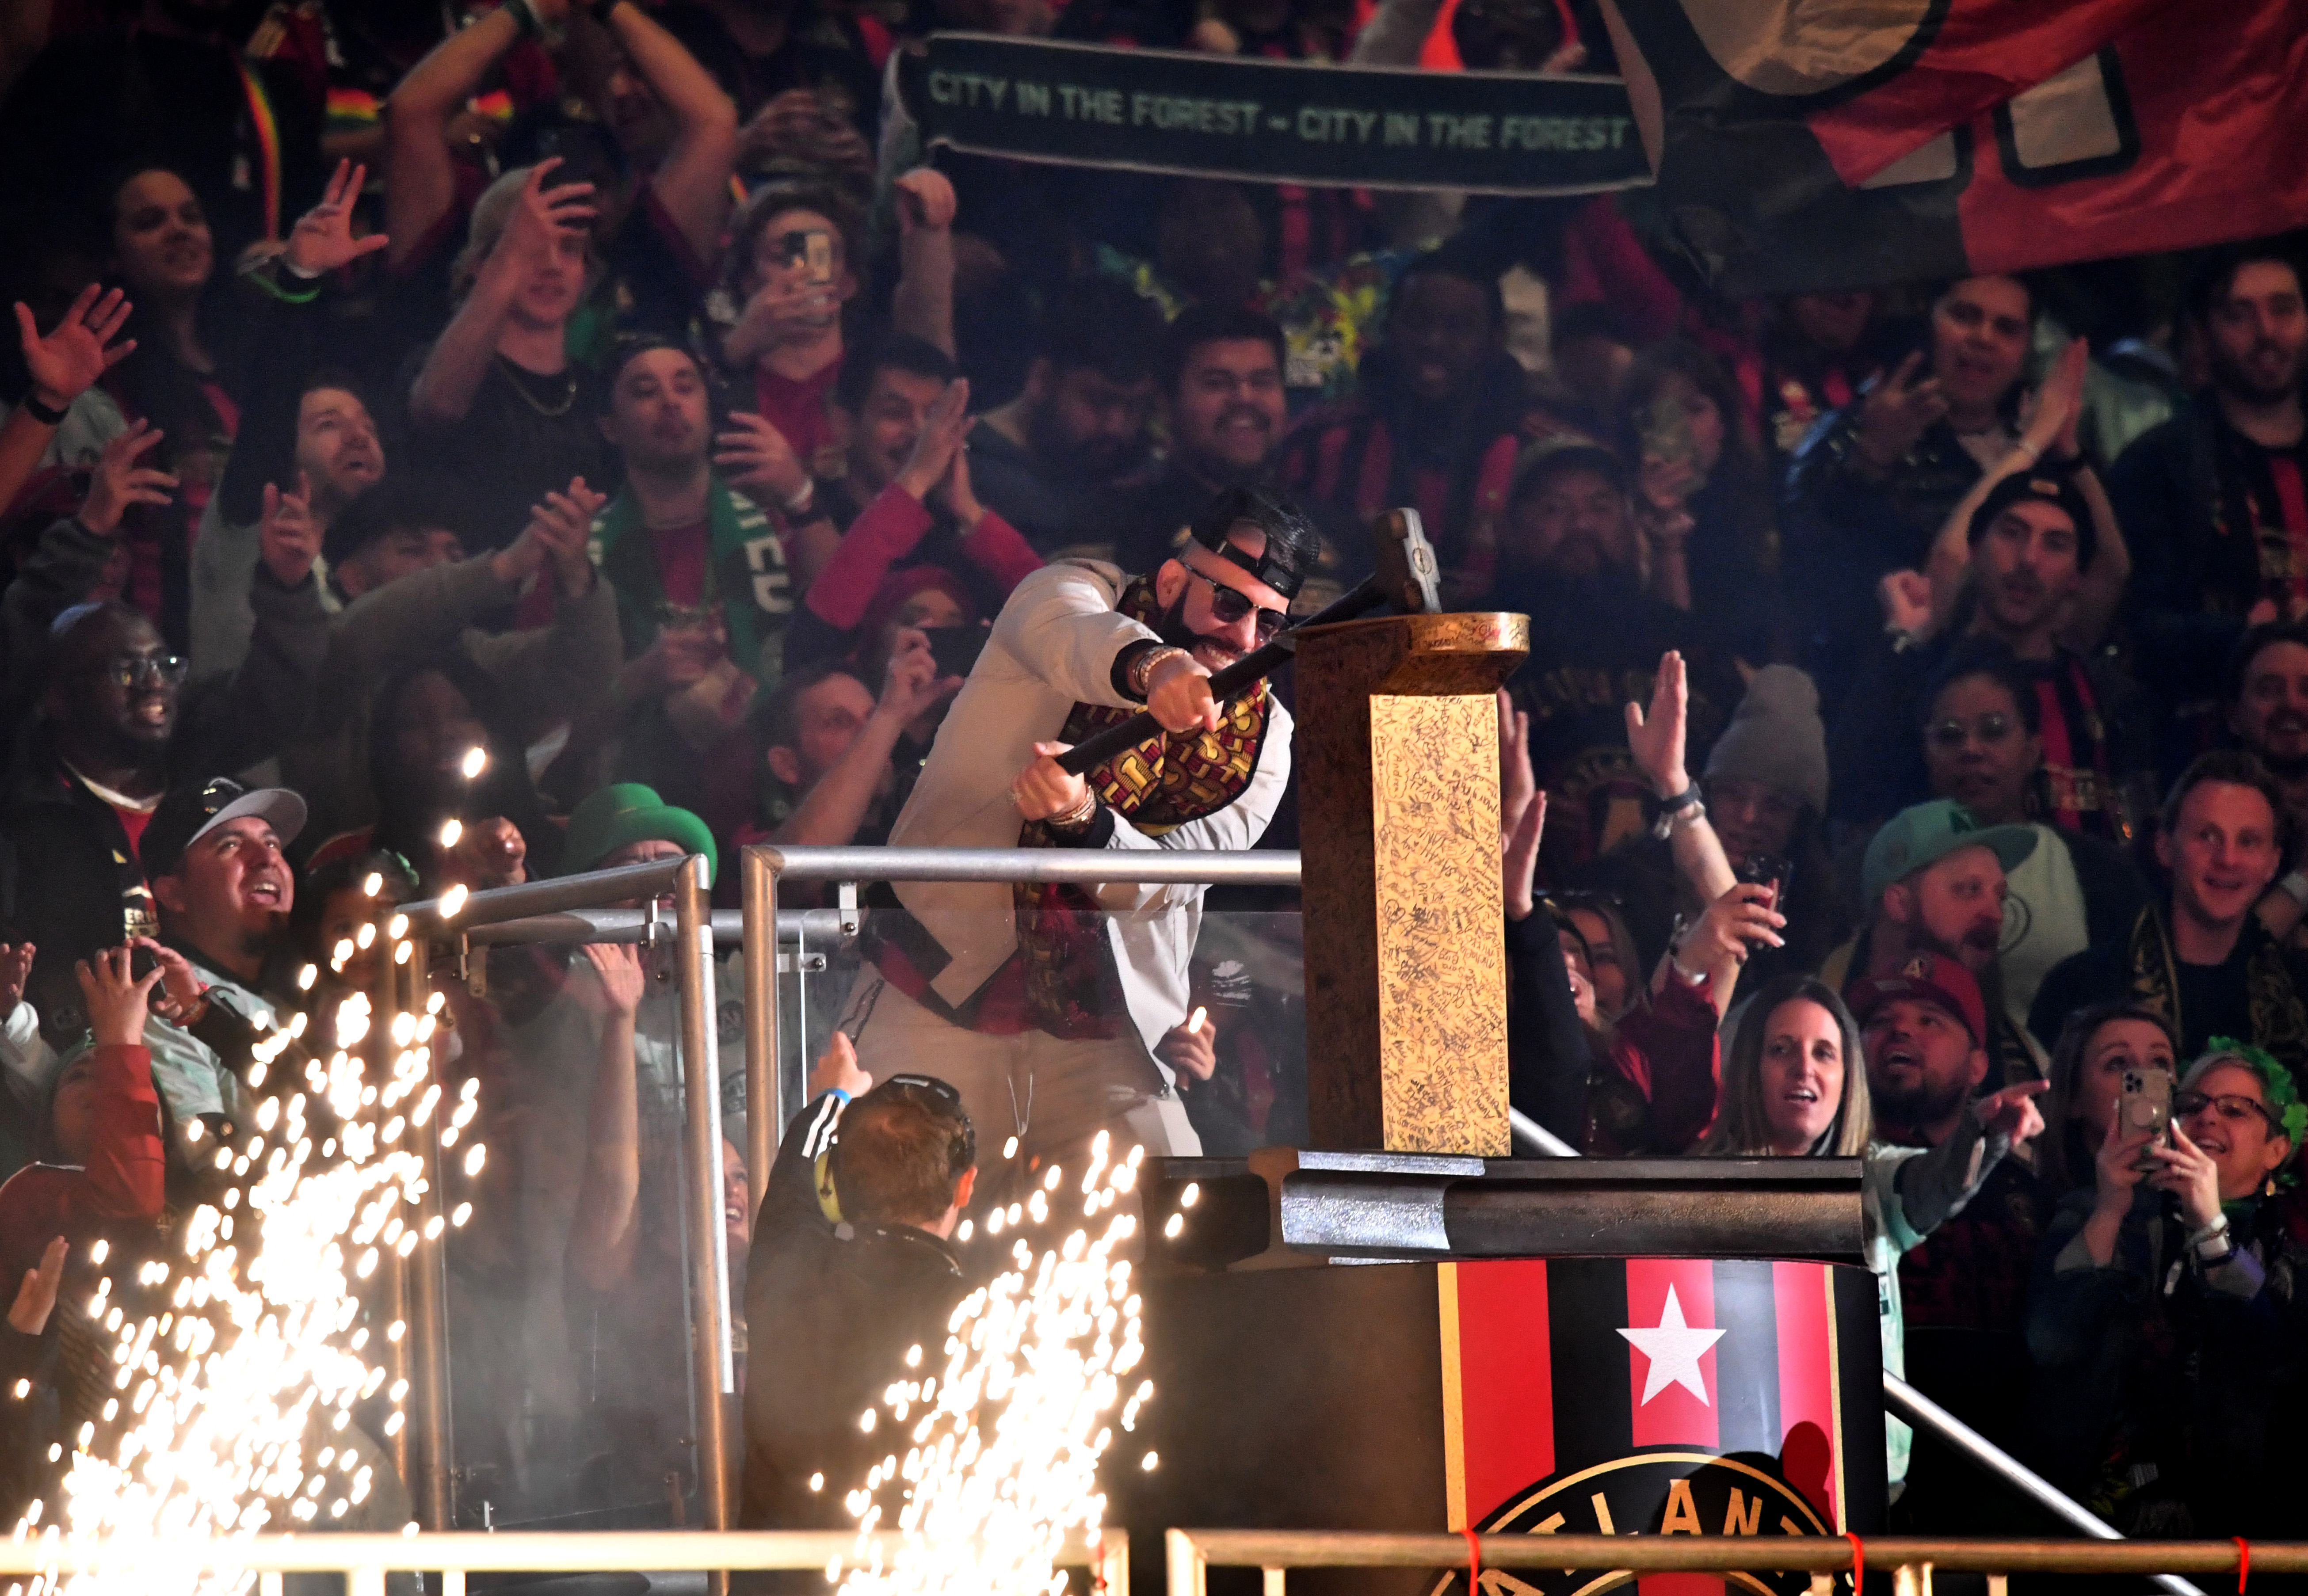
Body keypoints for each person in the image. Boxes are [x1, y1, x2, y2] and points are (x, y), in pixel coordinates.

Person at [842, 486, 1314, 1179]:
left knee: (1173, 1225)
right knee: (882, 1224)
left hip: (1103, 1034)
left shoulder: (1266, 738)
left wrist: (1082, 823)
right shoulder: (1072, 590)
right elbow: (1073, 638)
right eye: (1230, 605)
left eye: (1269, 625)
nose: (1244, 640)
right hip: (933, 993)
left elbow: (1167, 885)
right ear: (1177, 580)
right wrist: (1157, 669)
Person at [1698, 972, 2045, 1501]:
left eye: (1824, 1052)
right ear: (1748, 1066)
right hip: (1729, 1471)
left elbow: (1935, 1184)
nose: (1804, 1067)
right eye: (1781, 1049)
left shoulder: (1873, 1177)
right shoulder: (1693, 1190)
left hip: (1863, 1478)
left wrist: (1985, 1134)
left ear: (1847, 1078)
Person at [0, 582, 325, 1048]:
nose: (154, 682)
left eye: (164, 665)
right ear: (57, 696)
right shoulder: (28, 822)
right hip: (90, 1068)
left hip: (244, 1047)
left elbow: (277, 698)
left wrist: (288, 583)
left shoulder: (213, 793)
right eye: (126, 670)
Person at [2027, 1041, 2308, 1537]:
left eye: (2235, 1109)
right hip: (2094, 1517)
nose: (2206, 1118)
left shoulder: (2290, 1250)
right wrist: (2112, 1205)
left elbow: (2272, 1356)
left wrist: (2210, 1225)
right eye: (2191, 1105)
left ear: (2276, 1149)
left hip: (2242, 1528)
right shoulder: (2094, 1210)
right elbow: (2052, 1340)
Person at [736, 1040, 974, 1582]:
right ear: (966, 1185)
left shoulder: (786, 1269)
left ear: (836, 1186)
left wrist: (836, 1094)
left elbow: (796, 1166)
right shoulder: (983, 1313)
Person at [1847, 954, 2052, 1533]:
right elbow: (1924, 1185)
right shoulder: (1844, 1173)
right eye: (1880, 1019)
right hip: (1868, 1471)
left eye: (1930, 1018)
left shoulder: (2025, 1191)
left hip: (2003, 1478)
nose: (1901, 1030)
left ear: (1978, 1062)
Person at [1495, 440, 1734, 878]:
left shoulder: (1683, 642)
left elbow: (1739, 780)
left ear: (1630, 524)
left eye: (1601, 506)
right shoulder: (1473, 646)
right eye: (1554, 508)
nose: (1581, 524)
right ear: (1511, 527)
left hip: (1674, 900)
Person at [1783, 275, 2037, 687]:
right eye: (1965, 316)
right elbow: (1803, 564)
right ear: (1929, 323)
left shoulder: (2039, 447)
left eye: (2006, 328)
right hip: (1882, 691)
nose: (1983, 338)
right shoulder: (1850, 430)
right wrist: (1870, 459)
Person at [2112, 246, 2308, 721]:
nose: (2267, 332)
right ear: (2202, 334)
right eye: (2239, 315)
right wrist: (2250, 635)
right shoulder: (2157, 464)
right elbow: (2142, 630)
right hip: (2216, 754)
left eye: (2283, 309)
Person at [1905, 646, 2146, 1029]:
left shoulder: (2098, 871)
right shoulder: (1894, 865)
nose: (1970, 749)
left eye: (1994, 730)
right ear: (1926, 752)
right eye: (1950, 736)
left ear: (2033, 749)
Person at [1275, 249, 1528, 606]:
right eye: (1417, 323)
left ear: (1494, 338)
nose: (1433, 342)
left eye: (1456, 327)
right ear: (1389, 328)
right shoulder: (1318, 445)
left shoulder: (1536, 456)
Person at [2030, 751, 2308, 1070]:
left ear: (2272, 863)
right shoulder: (2082, 988)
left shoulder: (2298, 992)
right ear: (2164, 848)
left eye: (2248, 841)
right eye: (2207, 836)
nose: (2227, 859)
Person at [780, 339, 1042, 670]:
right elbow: (813, 643)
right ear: (843, 422)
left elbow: (1064, 623)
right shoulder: (808, 515)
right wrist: (914, 480)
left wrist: (970, 513)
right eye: (895, 414)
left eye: (934, 418)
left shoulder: (967, 532)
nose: (922, 433)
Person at [1824, 798, 2045, 1087]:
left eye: (1999, 897)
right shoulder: (1810, 1020)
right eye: (1969, 889)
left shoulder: (2018, 1060)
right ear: (1899, 904)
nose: (1994, 914)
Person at [968, 277, 1163, 555]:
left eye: (1134, 406)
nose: (1116, 426)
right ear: (1043, 380)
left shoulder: (1143, 474)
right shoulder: (971, 469)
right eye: (1098, 400)